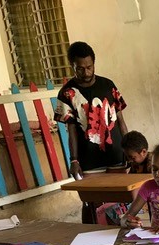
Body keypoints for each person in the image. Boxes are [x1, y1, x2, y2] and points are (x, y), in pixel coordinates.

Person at [55, 41, 129, 223]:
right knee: (91, 203)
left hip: (116, 153)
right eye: (80, 69)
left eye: (89, 67)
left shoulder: (108, 85)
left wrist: (128, 148)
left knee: (119, 202)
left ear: (94, 63)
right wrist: (73, 159)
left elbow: (120, 120)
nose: (86, 72)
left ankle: (119, 240)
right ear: (72, 66)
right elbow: (71, 129)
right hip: (88, 158)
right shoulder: (66, 93)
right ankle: (89, 242)